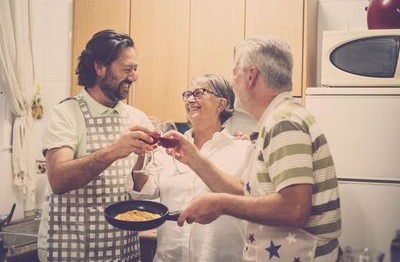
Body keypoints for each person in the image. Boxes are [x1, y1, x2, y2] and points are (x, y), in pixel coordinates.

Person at [165, 36, 342, 262]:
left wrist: (220, 204)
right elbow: (250, 192)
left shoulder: (283, 122)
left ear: (251, 76)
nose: (231, 84)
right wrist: (194, 159)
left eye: (234, 72)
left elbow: (294, 209)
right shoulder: (278, 119)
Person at [37, 29, 155, 261]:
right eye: (127, 70)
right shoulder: (66, 114)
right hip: (72, 251)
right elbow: (58, 180)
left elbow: (146, 187)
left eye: (135, 69)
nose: (133, 77)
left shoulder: (137, 118)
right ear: (100, 68)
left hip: (123, 252)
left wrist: (142, 166)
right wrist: (113, 151)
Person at [127, 74, 253, 262]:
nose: (191, 100)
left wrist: (196, 160)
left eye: (199, 93)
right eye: (188, 95)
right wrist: (141, 156)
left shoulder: (242, 149)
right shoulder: (170, 148)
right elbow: (144, 192)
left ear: (221, 104)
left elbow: (248, 197)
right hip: (168, 257)